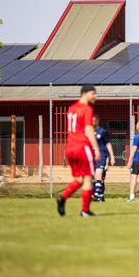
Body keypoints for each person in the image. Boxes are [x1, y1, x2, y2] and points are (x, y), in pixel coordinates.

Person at [56, 85, 101, 218]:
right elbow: (88, 130)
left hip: (70, 147)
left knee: (79, 179)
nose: (95, 96)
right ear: (85, 93)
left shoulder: (71, 109)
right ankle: (85, 211)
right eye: (93, 93)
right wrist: (96, 149)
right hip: (82, 147)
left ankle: (62, 198)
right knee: (88, 178)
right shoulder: (87, 109)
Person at [93, 115, 115, 202]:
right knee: (93, 178)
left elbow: (108, 144)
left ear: (97, 121)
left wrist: (112, 157)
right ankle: (100, 196)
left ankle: (96, 194)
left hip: (102, 156)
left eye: (93, 121)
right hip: (92, 157)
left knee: (99, 176)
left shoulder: (102, 131)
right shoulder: (90, 132)